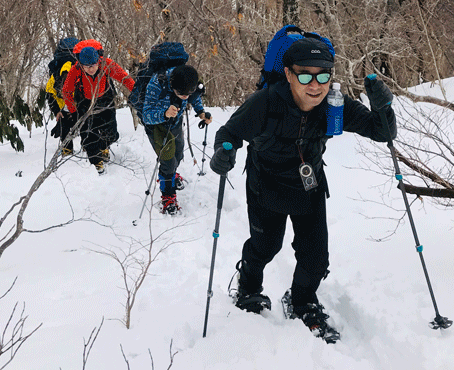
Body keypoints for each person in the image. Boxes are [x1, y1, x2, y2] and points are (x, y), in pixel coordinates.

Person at [210, 36, 396, 338]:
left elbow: (382, 132)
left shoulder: (334, 104)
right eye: (305, 75)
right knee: (265, 247)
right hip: (266, 185)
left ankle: (302, 301)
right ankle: (247, 288)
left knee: (316, 256)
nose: (315, 85)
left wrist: (383, 106)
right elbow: (229, 133)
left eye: (323, 75)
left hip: (309, 186)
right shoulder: (266, 103)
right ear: (288, 74)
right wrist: (224, 152)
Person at [142, 64, 211, 214]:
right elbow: (146, 115)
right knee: (167, 160)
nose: (185, 97)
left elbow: (194, 97)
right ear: (172, 85)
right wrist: (164, 113)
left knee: (178, 154)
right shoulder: (157, 83)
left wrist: (201, 112)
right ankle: (168, 196)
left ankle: (171, 175)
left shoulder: (189, 85)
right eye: (181, 93)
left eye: (188, 93)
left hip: (176, 123)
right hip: (157, 125)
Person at [60, 40, 135, 174]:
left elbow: (124, 78)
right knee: (88, 137)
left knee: (112, 134)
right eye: (87, 66)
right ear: (81, 65)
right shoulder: (76, 70)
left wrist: (137, 92)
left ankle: (102, 148)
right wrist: (73, 110)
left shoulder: (106, 64)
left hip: (105, 100)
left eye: (93, 65)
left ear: (98, 61)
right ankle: (97, 162)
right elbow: (66, 91)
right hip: (85, 103)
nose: (91, 69)